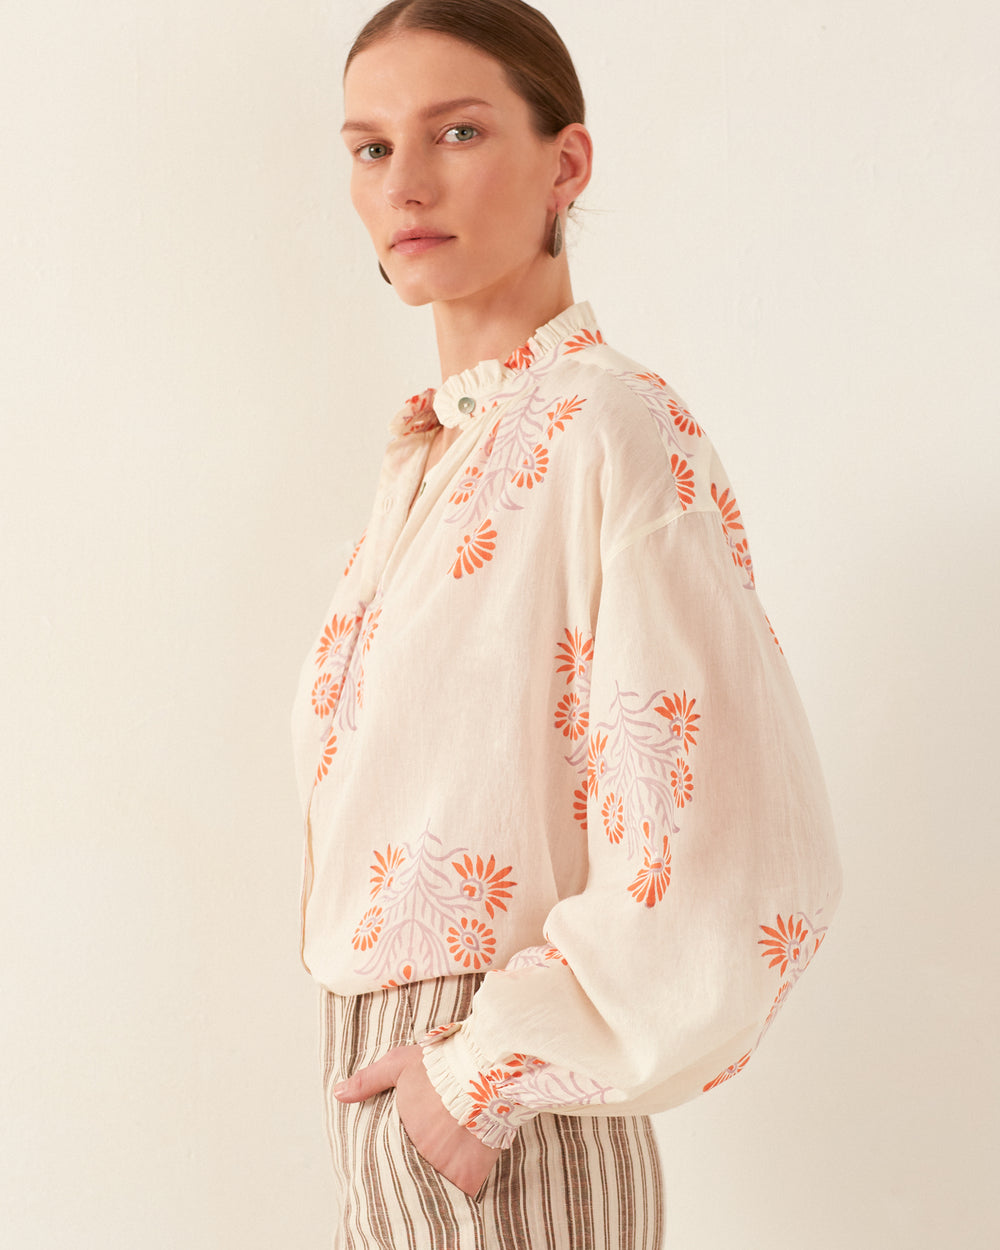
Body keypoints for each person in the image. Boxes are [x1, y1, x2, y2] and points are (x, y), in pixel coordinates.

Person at [291, 1, 842, 1245]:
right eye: (370, 147)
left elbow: (744, 842)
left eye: (459, 130)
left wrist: (478, 1071)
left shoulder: (605, 428)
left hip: (505, 1106)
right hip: (404, 1090)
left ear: (565, 162)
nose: (406, 182)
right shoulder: (442, 451)